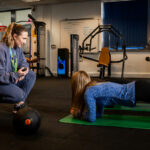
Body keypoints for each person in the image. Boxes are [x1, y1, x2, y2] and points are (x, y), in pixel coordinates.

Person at [70, 70, 150, 122]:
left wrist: (80, 116)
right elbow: (99, 114)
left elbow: (92, 118)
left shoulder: (89, 93)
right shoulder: (94, 87)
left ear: (76, 87)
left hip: (138, 90)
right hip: (138, 88)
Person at [0, 22, 36, 113]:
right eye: (23, 38)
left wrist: (24, 70)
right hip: (2, 82)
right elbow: (0, 75)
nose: (25, 42)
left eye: (26, 39)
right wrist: (16, 75)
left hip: (11, 79)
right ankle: (19, 99)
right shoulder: (1, 49)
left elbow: (23, 62)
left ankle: (19, 104)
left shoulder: (17, 48)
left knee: (31, 75)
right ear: (15, 36)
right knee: (19, 95)